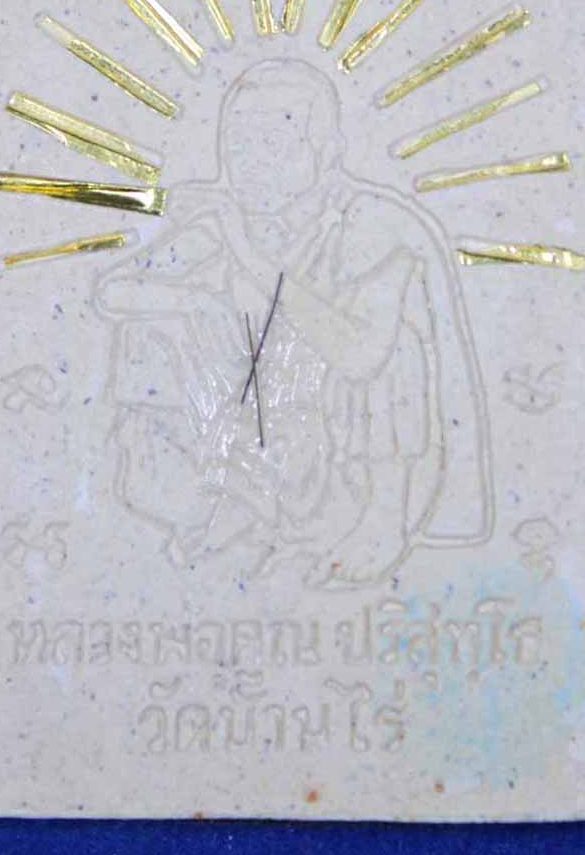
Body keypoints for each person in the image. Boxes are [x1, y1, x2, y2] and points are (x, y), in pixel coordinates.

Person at [95, 59, 492, 588]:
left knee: (396, 345)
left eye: (274, 145)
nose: (252, 165)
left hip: (343, 444)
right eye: (239, 147)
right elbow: (113, 291)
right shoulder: (230, 217)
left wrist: (245, 253)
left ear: (327, 154)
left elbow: (361, 357)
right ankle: (215, 500)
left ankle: (380, 525)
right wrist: (194, 302)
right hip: (251, 421)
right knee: (149, 326)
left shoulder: (373, 223)